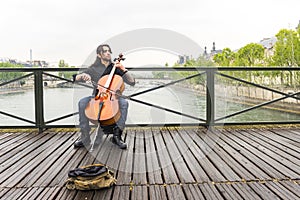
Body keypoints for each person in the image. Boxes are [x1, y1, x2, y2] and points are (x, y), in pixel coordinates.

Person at [73, 44, 135, 149]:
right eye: (105, 51)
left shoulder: (115, 67)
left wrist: (124, 69)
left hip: (113, 98)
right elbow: (75, 78)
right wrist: (83, 76)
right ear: (99, 55)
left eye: (109, 51)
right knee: (82, 102)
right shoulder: (93, 69)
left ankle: (117, 136)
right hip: (96, 97)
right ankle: (85, 137)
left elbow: (132, 82)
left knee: (124, 103)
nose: (108, 53)